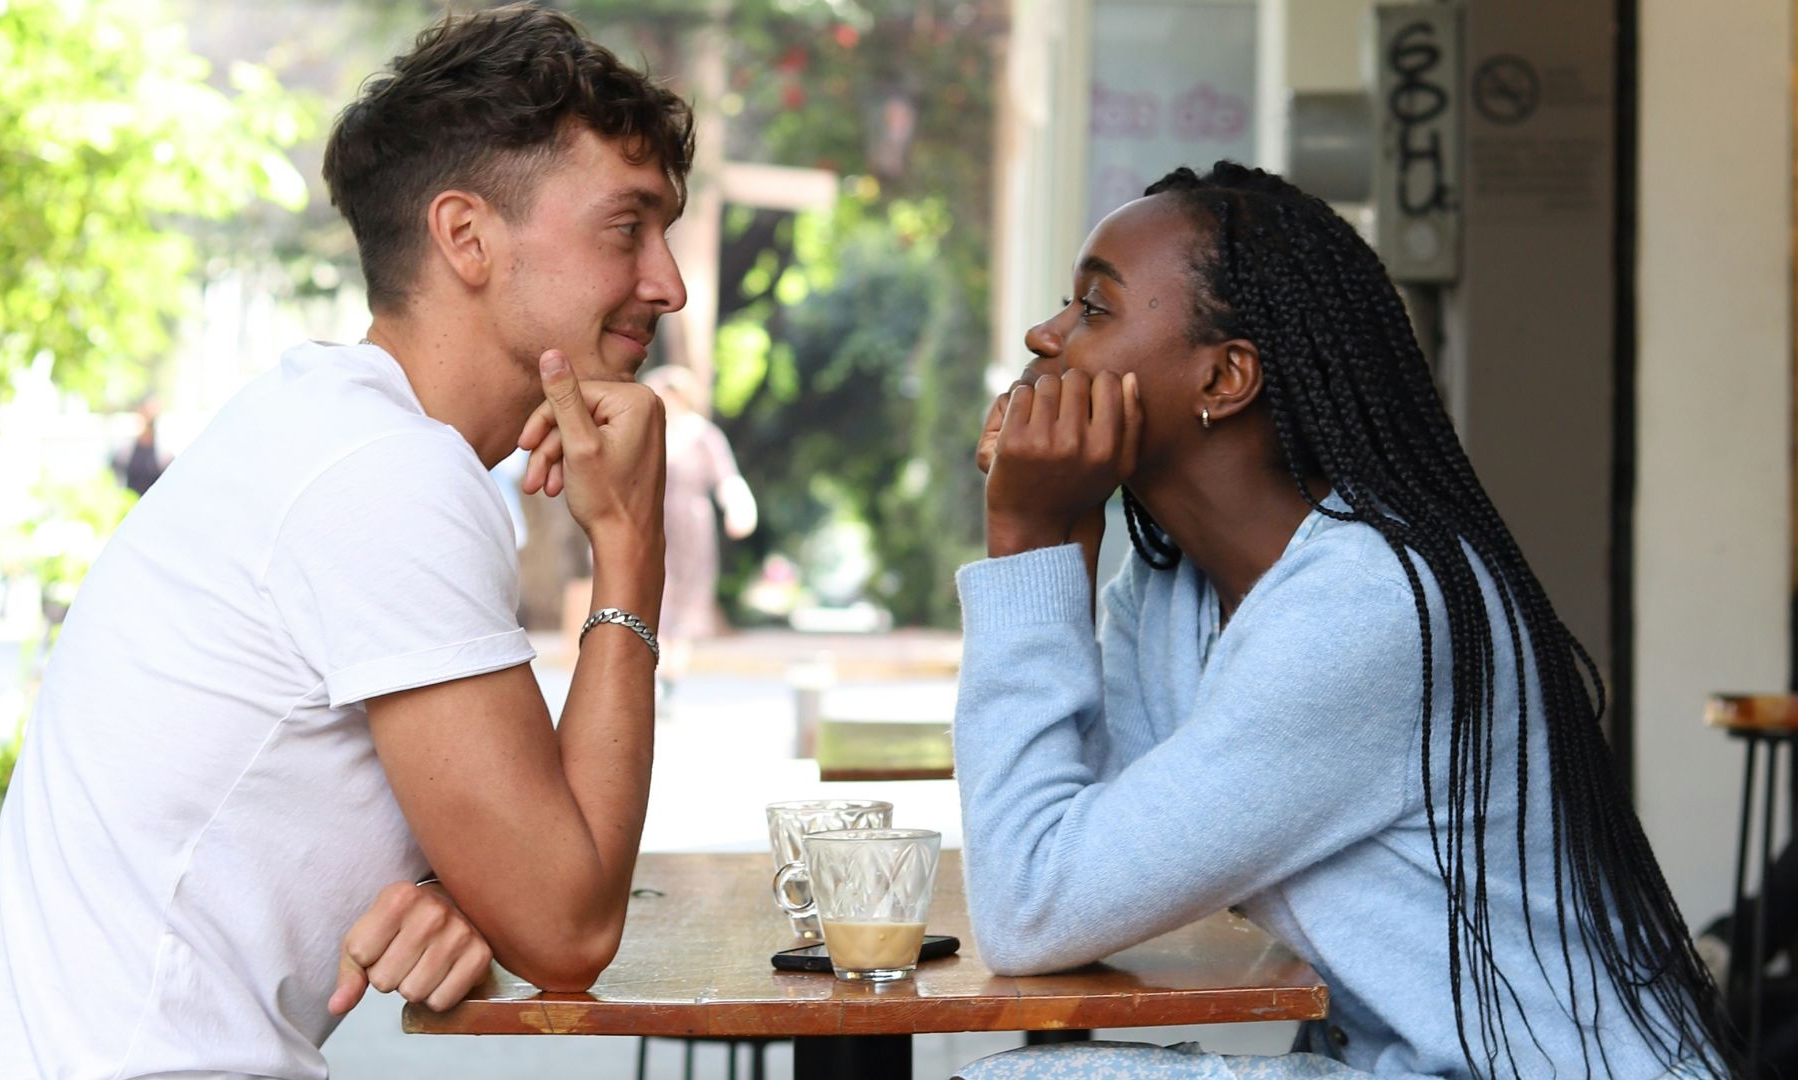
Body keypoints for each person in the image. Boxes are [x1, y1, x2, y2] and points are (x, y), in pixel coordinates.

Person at [0, 5, 690, 1077]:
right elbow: (570, 927)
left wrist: (461, 890)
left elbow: (533, 896)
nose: (670, 282)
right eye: (629, 226)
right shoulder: (384, 475)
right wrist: (632, 552)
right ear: (466, 236)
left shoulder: (340, 434)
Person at [950, 162, 1729, 1079]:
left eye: (1094, 308)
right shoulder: (1171, 591)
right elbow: (1077, 858)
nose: (1046, 335)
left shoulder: (1369, 607)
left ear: (1226, 375)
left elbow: (1031, 905)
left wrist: (1028, 534)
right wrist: (1064, 545)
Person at [643, 364, 756, 683]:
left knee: (687, 599)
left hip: (691, 524)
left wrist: (738, 507)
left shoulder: (703, 434)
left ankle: (671, 674)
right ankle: (655, 669)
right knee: (654, 594)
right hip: (652, 522)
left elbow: (727, 478)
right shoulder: (648, 431)